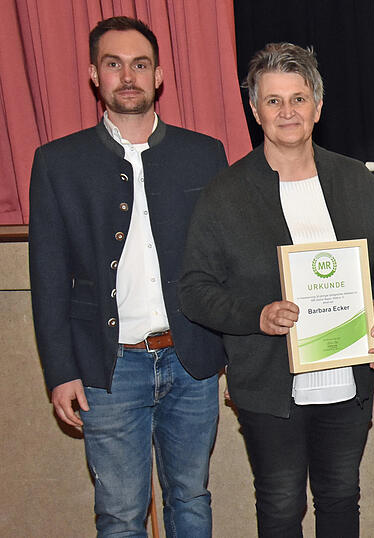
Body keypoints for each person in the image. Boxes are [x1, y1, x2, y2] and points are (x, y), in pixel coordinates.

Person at [27, 16, 227, 536]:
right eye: (113, 65)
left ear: (159, 75)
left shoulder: (204, 155)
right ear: (95, 75)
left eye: (140, 65)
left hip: (192, 363)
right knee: (119, 513)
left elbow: (225, 264)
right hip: (108, 369)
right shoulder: (56, 163)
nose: (128, 76)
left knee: (192, 498)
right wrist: (60, 371)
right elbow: (47, 279)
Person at [178, 42, 374, 537]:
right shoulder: (226, 192)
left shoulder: (354, 179)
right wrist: (258, 314)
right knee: (279, 505)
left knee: (341, 499)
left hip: (346, 380)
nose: (287, 111)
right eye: (273, 101)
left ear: (317, 106)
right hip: (269, 385)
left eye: (298, 98)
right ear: (255, 110)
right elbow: (194, 289)